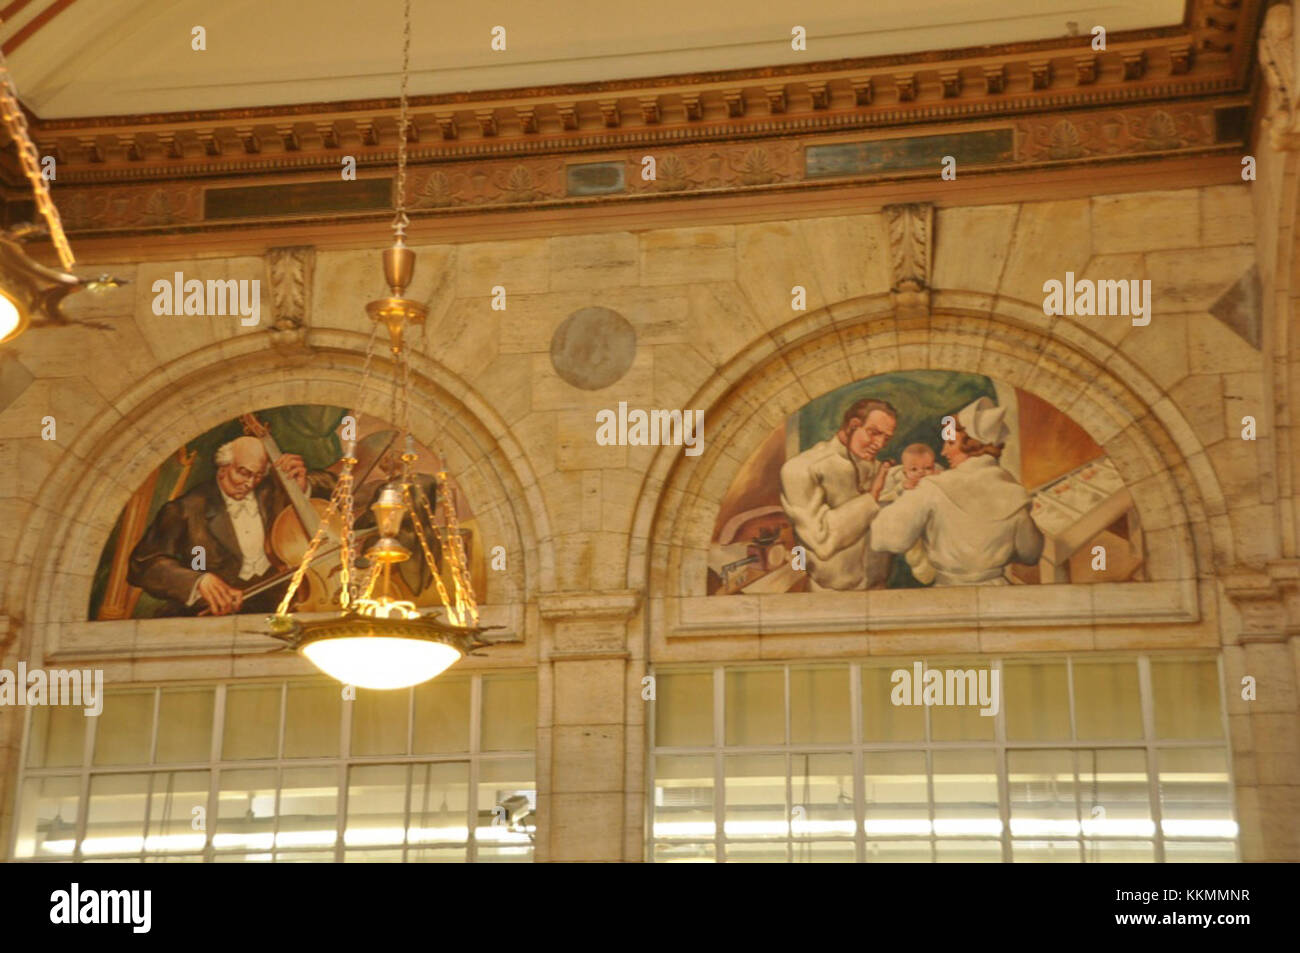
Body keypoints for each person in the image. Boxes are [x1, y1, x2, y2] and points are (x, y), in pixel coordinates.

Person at [128, 435, 336, 616]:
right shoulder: (187, 509)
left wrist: (304, 485)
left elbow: (337, 486)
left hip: (279, 607)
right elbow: (144, 564)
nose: (250, 483)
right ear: (223, 469)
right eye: (244, 473)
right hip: (211, 613)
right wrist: (196, 581)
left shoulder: (273, 491)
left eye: (258, 475)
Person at [869, 398, 1043, 586]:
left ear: (972, 446)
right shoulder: (1013, 492)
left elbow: (885, 539)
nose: (943, 452)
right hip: (998, 592)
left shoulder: (932, 487)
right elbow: (1031, 553)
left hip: (949, 592)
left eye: (950, 443)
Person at [779, 398, 897, 590]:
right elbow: (821, 542)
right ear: (853, 425)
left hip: (879, 590)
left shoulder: (880, 469)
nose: (879, 444)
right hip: (829, 598)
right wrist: (871, 497)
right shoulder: (802, 468)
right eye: (874, 433)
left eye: (886, 438)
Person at [877, 443, 944, 585]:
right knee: (915, 550)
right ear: (905, 471)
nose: (921, 473)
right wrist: (902, 488)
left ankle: (933, 572)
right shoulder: (899, 479)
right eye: (914, 469)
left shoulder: (937, 475)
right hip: (908, 521)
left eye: (927, 468)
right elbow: (884, 497)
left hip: (931, 520)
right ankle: (923, 573)